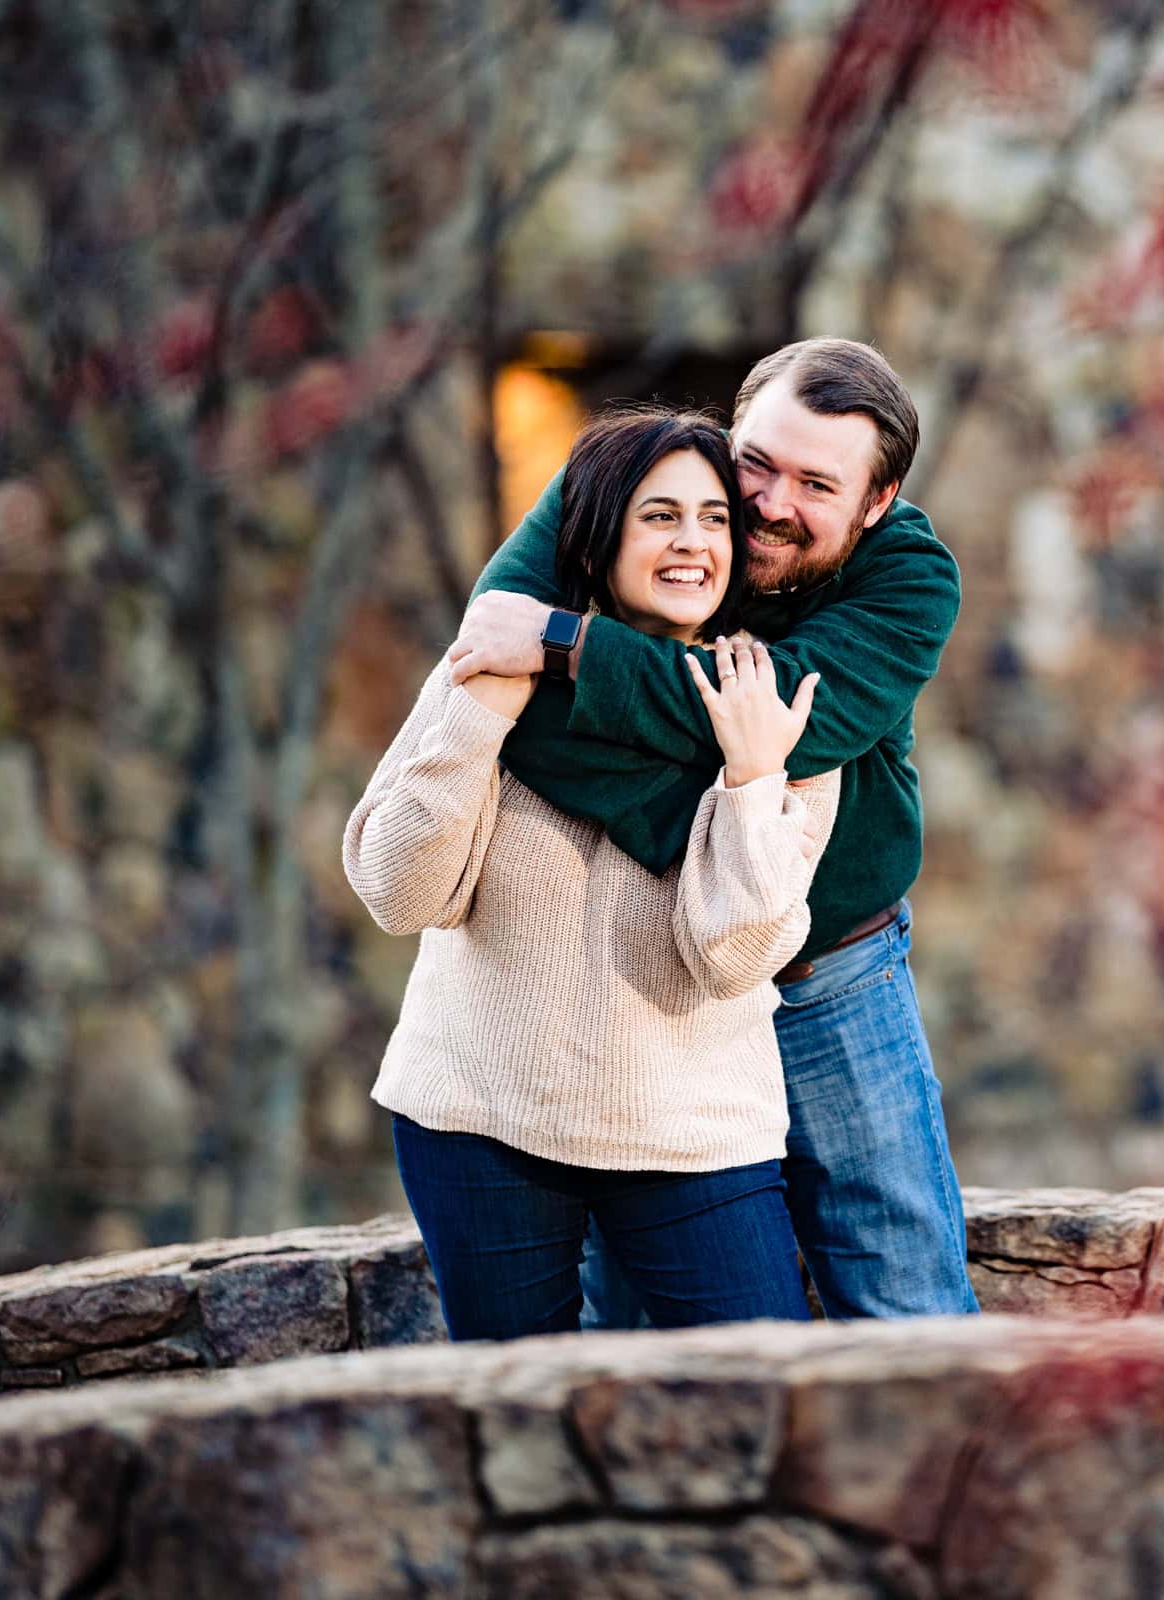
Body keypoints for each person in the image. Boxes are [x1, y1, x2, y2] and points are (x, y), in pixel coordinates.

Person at [445, 338, 979, 1321]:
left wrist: (568, 650)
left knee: (904, 1300)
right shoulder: (631, 491)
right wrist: (719, 772)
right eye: (759, 462)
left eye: (818, 484)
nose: (770, 502)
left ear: (877, 501)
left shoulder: (910, 580)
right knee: (644, 1328)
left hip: (828, 978)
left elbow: (785, 712)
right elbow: (490, 647)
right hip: (652, 988)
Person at [344, 408, 835, 1339]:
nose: (692, 542)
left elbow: (736, 956)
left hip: (693, 1133)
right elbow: (398, 890)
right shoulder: (501, 656)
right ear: (602, 532)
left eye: (714, 518)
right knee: (515, 1427)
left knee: (759, 1405)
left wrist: (751, 778)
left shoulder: (769, 700)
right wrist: (476, 714)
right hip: (480, 1118)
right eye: (659, 516)